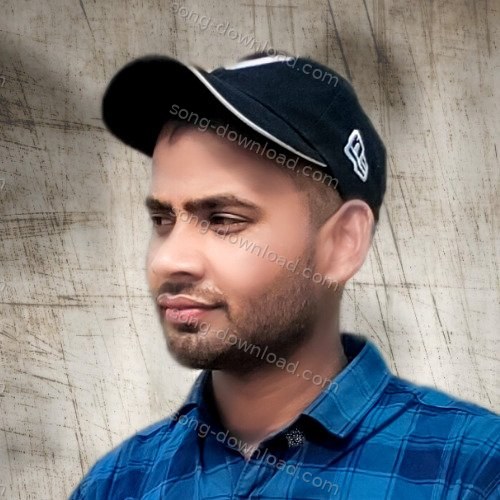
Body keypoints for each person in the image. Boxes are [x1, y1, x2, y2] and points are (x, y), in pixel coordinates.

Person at [69, 51, 499, 499]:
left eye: (223, 219)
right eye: (163, 220)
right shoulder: (118, 483)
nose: (168, 260)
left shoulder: (470, 472)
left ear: (343, 243)